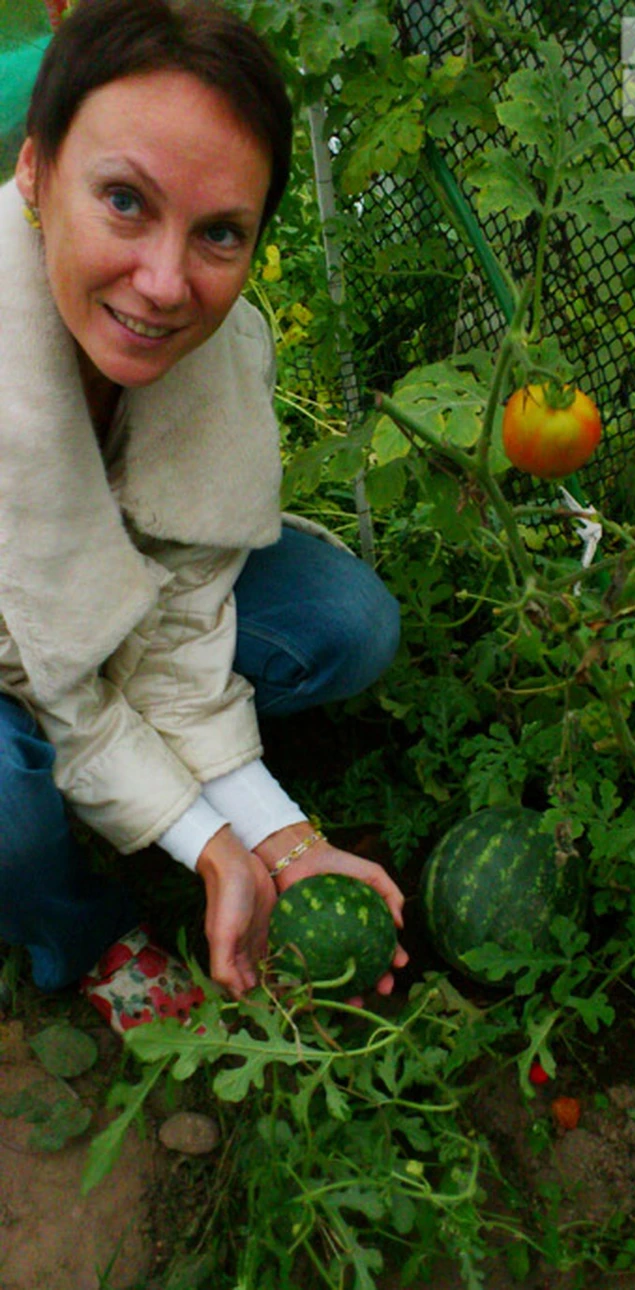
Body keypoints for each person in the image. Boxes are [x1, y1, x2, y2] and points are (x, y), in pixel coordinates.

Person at [0, 0, 407, 1030]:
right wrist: (201, 835)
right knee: (8, 805)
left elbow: (178, 629)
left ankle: (137, 790)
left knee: (345, 625)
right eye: (126, 202)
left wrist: (282, 842)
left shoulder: (228, 351)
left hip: (68, 623)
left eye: (219, 231)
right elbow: (53, 676)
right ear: (38, 175)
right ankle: (83, 931)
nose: (167, 284)